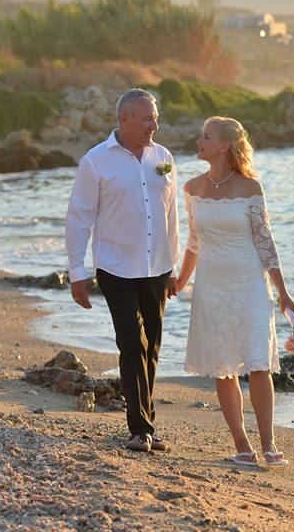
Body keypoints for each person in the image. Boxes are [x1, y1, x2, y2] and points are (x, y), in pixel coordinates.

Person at [172, 116, 294, 467]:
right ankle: (242, 446)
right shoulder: (192, 188)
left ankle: (269, 445)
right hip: (212, 285)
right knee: (223, 366)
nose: (199, 141)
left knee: (259, 363)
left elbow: (265, 243)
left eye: (206, 137)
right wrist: (181, 282)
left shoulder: (250, 188)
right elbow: (194, 242)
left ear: (224, 145)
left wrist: (283, 293)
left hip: (249, 284)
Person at [65, 88, 179, 452]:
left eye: (155, 117)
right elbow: (78, 219)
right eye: (147, 118)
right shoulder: (95, 162)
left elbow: (171, 215)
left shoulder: (163, 157)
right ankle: (140, 428)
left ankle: (146, 422)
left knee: (152, 348)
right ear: (125, 118)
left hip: (158, 267)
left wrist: (173, 266)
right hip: (116, 268)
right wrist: (76, 272)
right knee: (131, 344)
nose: (154, 124)